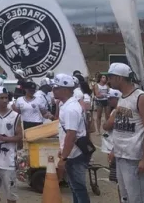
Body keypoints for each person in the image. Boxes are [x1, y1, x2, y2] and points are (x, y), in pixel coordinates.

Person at [107, 63, 144, 203]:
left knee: (138, 198)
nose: (108, 80)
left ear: (120, 78)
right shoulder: (122, 98)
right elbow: (121, 127)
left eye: (111, 77)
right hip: (122, 156)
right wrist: (114, 149)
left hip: (134, 158)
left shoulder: (141, 97)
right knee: (126, 197)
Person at [53, 74, 90, 203]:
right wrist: (62, 149)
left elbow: (71, 134)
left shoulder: (70, 109)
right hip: (72, 152)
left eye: (56, 88)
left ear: (66, 90)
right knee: (75, 188)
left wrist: (63, 157)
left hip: (75, 154)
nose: (53, 90)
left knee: (79, 188)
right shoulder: (67, 106)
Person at [101, 89, 122, 202]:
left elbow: (107, 126)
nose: (109, 100)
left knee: (119, 180)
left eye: (111, 98)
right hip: (117, 146)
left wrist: (106, 122)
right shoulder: (117, 110)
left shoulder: (116, 111)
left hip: (116, 147)